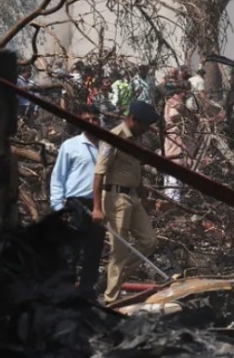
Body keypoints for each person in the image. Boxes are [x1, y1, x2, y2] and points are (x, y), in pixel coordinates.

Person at [92, 101, 161, 304]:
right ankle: (111, 299)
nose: (147, 129)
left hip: (133, 197)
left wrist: (144, 197)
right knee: (119, 251)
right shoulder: (114, 138)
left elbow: (135, 171)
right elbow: (98, 174)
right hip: (116, 198)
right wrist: (97, 208)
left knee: (149, 241)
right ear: (133, 119)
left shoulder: (137, 139)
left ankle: (112, 279)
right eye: (145, 124)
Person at [50, 106, 106, 298]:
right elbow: (58, 177)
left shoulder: (106, 147)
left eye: (95, 119)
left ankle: (86, 291)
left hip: (99, 205)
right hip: (76, 204)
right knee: (71, 251)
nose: (91, 122)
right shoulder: (71, 146)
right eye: (87, 119)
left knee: (94, 251)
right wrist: (58, 207)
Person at [162, 85, 190, 203]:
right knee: (174, 165)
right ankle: (172, 201)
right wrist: (182, 114)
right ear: (180, 92)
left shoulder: (171, 101)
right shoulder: (174, 102)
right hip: (174, 136)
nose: (185, 95)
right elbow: (173, 115)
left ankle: (173, 199)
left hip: (173, 136)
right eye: (184, 92)